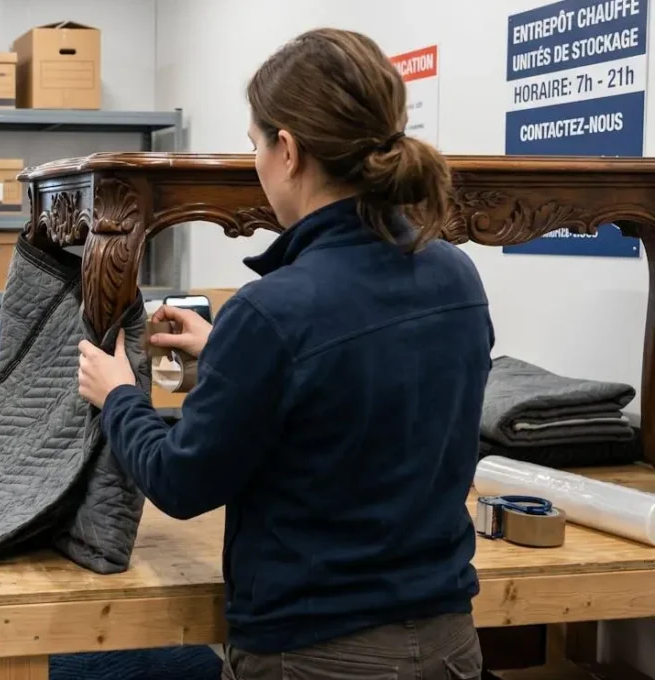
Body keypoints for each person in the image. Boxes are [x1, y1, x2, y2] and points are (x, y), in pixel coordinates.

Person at [76, 28, 490, 680]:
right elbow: (361, 380)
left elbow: (182, 482)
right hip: (450, 649)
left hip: (315, 656)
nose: (258, 166)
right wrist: (228, 351)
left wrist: (119, 395)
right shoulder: (456, 280)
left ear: (289, 150)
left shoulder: (274, 312)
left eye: (256, 147)